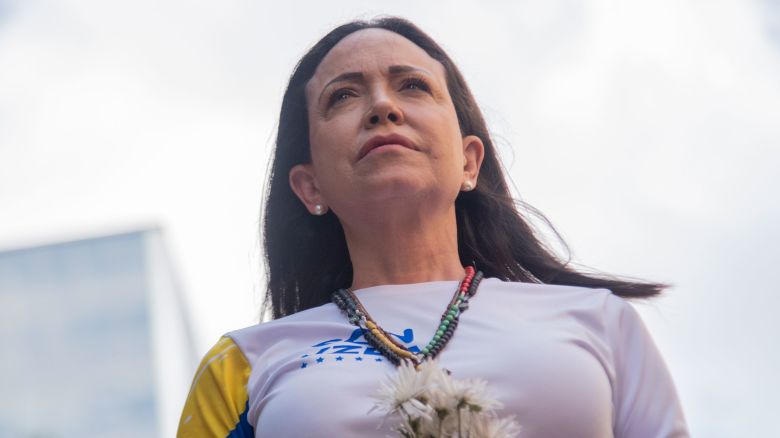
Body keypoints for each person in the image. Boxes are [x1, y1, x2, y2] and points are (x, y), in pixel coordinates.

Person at [177, 17, 689, 437]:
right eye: (343, 97)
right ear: (310, 187)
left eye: (412, 85)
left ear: (469, 163)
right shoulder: (242, 366)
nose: (383, 106)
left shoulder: (598, 322)